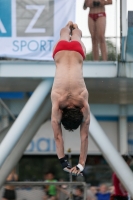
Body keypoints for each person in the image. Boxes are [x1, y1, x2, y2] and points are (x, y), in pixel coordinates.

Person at [51, 21, 90, 176]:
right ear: (62, 114)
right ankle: (67, 28)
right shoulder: (57, 103)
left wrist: (81, 164)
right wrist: (63, 162)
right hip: (60, 53)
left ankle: (74, 28)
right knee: (63, 34)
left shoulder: (83, 103)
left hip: (77, 53)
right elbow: (58, 137)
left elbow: (85, 136)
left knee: (77, 35)